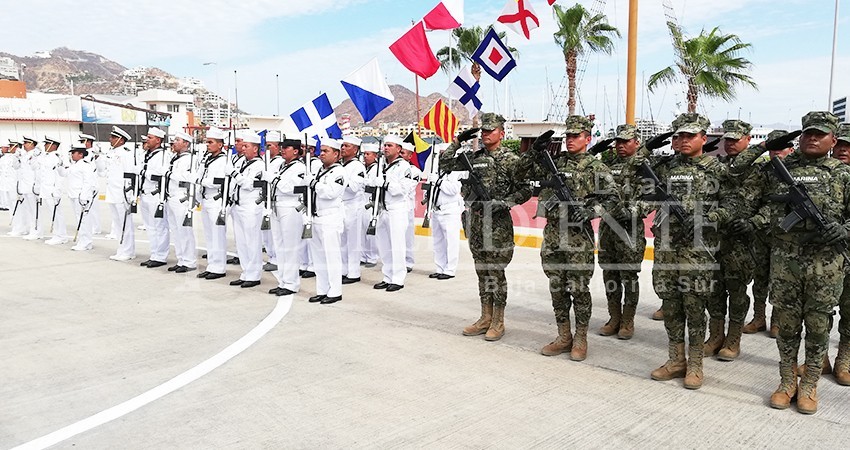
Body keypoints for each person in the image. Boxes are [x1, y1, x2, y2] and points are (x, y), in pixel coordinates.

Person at [521, 116, 620, 360]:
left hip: (578, 238)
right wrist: (535, 151)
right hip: (553, 235)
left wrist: (590, 211)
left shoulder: (596, 168)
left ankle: (581, 338)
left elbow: (613, 199)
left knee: (579, 289)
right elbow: (521, 172)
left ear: (587, 139)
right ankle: (564, 336)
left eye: (576, 136)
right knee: (557, 287)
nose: (571, 140)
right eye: (568, 136)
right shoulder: (554, 162)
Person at [439, 113, 533, 341]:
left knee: (496, 272)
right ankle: (485, 317)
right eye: (484, 130)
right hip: (476, 222)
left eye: (491, 130)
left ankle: (498, 321)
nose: (486, 134)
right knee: (482, 270)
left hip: (497, 223)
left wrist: (503, 203)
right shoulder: (474, 158)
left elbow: (526, 189)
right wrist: (457, 142)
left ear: (501, 133)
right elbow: (445, 164)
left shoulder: (511, 160)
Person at [648, 113, 725, 390]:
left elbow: (734, 205)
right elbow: (638, 176)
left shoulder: (717, 170)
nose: (683, 140)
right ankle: (675, 359)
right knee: (670, 305)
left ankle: (695, 364)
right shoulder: (664, 167)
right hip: (667, 249)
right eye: (678, 136)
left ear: (704, 138)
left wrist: (707, 217)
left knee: (694, 308)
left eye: (690, 135)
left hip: (697, 251)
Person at [704, 119, 756, 361]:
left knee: (737, 292)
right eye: (728, 139)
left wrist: (755, 222)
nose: (731, 144)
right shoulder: (717, 166)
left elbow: (770, 205)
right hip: (715, 238)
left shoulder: (759, 169)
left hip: (740, 241)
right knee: (713, 290)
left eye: (736, 139)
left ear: (748, 139)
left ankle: (733, 339)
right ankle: (715, 336)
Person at [596, 124, 648, 340]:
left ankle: (628, 320)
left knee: (629, 276)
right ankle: (614, 318)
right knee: (609, 274)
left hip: (630, 229)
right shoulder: (608, 166)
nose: (620, 145)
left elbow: (654, 197)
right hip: (607, 228)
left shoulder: (644, 167)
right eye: (618, 141)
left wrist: (634, 211)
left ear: (637, 142)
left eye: (625, 141)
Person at [370, 135, 418, 292]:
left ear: (399, 148)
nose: (386, 148)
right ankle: (387, 276)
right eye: (385, 145)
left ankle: (398, 278)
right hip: (382, 209)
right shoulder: (382, 165)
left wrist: (385, 183)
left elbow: (402, 190)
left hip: (397, 209)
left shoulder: (404, 167)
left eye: (389, 145)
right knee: (384, 246)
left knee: (397, 246)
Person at [307, 139, 348, 304]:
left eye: (326, 151)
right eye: (321, 150)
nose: (321, 154)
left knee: (332, 257)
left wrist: (314, 183)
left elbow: (330, 193)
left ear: (336, 154)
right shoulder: (320, 170)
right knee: (318, 258)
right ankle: (322, 289)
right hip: (317, 217)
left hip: (330, 218)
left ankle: (335, 291)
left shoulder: (339, 172)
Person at [268, 138, 307, 296]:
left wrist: (274, 179)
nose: (282, 150)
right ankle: (283, 281)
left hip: (291, 207)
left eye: (286, 147)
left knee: (290, 247)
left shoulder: (300, 168)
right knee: (279, 246)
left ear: (296, 151)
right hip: (277, 206)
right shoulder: (282, 166)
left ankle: (291, 283)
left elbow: (291, 188)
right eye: (282, 147)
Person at [228, 131, 265, 288]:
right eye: (242, 146)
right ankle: (246, 272)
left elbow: (249, 184)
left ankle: (254, 275)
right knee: (241, 242)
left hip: (251, 206)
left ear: (255, 149)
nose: (242, 148)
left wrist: (234, 173)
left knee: (252, 241)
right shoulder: (242, 162)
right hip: (238, 205)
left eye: (246, 146)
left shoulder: (260, 165)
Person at [830, 122, 850, 386]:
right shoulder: (826, 175)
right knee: (820, 311)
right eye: (841, 144)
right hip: (825, 256)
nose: (844, 150)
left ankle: (844, 360)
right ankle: (819, 359)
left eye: (849, 146)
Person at [102, 127, 140, 261]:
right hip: (112, 192)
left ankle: (128, 251)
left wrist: (129, 194)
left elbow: (130, 174)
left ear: (121, 140)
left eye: (113, 137)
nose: (110, 139)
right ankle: (121, 249)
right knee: (118, 224)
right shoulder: (111, 153)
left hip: (122, 193)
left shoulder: (126, 153)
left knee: (125, 224)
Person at [196, 128, 229, 280]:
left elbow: (219, 181)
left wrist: (201, 180)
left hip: (216, 200)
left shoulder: (224, 160)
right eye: (207, 142)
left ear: (220, 145)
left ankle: (219, 268)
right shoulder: (207, 159)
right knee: (209, 236)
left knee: (217, 236)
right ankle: (212, 265)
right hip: (206, 199)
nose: (207, 145)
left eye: (211, 142)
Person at [427, 143, 463, 280]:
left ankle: (450, 270)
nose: (442, 156)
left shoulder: (457, 171)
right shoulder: (437, 170)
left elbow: (453, 190)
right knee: (438, 242)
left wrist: (438, 182)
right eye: (440, 153)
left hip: (450, 211)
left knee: (451, 242)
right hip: (436, 210)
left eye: (445, 153)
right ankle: (440, 268)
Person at [164, 131, 198, 273]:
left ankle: (189, 261)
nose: (174, 142)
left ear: (186, 143)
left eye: (178, 140)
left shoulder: (190, 159)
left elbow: (189, 177)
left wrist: (170, 174)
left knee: (184, 231)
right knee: (176, 231)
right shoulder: (175, 158)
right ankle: (181, 259)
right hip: (171, 196)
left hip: (182, 197)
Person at [138, 128, 170, 268]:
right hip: (144, 194)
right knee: (150, 227)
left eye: (150, 137)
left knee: (160, 227)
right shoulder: (146, 154)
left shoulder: (163, 155)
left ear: (158, 140)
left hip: (156, 195)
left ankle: (161, 256)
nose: (147, 140)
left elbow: (160, 176)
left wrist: (143, 172)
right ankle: (154, 254)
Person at [28, 136, 68, 245]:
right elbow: (34, 167)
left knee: (56, 214)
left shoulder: (57, 158)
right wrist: (34, 157)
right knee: (52, 213)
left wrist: (57, 191)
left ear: (53, 145)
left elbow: (60, 176)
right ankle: (57, 235)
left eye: (47, 144)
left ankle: (61, 236)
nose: (45, 145)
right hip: (45, 190)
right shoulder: (45, 157)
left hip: (52, 191)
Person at [339, 135, 367, 284]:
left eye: (347, 146)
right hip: (342, 206)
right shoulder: (341, 165)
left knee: (353, 242)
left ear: (355, 150)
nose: (343, 148)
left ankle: (354, 273)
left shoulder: (358, 166)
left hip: (353, 206)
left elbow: (353, 188)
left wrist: (338, 182)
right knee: (342, 241)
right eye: (342, 146)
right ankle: (344, 270)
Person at [63, 143, 97, 251]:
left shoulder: (85, 166)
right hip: (74, 195)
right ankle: (83, 241)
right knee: (79, 219)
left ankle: (86, 242)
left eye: (74, 152)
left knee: (84, 220)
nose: (72, 155)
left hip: (81, 196)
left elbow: (88, 182)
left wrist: (84, 196)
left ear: (81, 154)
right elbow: (64, 173)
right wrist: (59, 166)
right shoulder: (74, 165)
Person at [262, 131, 284, 272]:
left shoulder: (280, 162)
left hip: (275, 200)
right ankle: (271, 256)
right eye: (266, 145)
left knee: (274, 233)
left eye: (270, 145)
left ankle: (276, 258)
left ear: (278, 147)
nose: (267, 148)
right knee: (266, 232)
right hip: (265, 199)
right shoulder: (265, 160)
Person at [400, 141, 422, 272]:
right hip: (395, 206)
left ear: (410, 156)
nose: (400, 155)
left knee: (407, 237)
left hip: (407, 207)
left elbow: (407, 188)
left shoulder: (415, 171)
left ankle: (408, 262)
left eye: (403, 153)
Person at [12, 136, 39, 237]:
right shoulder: (24, 155)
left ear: (32, 144)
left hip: (32, 187)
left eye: (26, 143)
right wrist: (15, 157)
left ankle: (36, 231)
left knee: (34, 210)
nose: (24, 145)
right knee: (28, 210)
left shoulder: (36, 155)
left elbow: (37, 170)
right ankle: (29, 229)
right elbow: (16, 167)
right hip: (24, 186)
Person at [78, 133, 103, 235]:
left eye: (82, 141)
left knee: (93, 208)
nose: (80, 143)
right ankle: (89, 226)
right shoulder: (82, 153)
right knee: (85, 208)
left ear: (88, 142)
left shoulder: (93, 153)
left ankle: (96, 228)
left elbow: (100, 169)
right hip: (83, 184)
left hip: (92, 184)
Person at [360, 143, 380, 267]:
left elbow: (373, 185)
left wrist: (363, 182)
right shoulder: (364, 168)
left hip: (371, 202)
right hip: (362, 202)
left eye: (368, 154)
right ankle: (363, 256)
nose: (365, 156)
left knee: (371, 232)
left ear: (375, 156)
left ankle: (372, 257)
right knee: (362, 231)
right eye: (364, 154)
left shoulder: (377, 168)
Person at [0, 141, 15, 211]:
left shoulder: (12, 157)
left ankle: (7, 205)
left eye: (3, 148)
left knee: (9, 192)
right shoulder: (2, 158)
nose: (1, 149)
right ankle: (3, 205)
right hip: (3, 178)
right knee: (2, 191)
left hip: (10, 178)